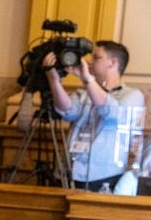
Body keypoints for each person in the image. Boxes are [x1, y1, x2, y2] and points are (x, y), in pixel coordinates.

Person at [43, 40, 145, 191]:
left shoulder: (132, 95)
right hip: (70, 173)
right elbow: (67, 111)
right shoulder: (84, 93)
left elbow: (110, 111)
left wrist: (88, 79)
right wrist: (54, 80)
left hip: (103, 177)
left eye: (97, 58)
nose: (90, 62)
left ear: (113, 63)